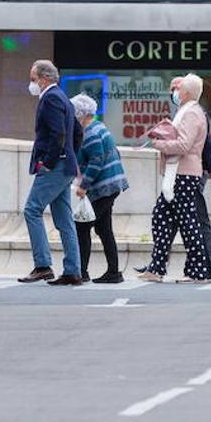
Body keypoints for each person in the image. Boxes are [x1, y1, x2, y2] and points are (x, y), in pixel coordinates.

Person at [135, 77, 211, 281]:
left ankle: (197, 270)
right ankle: (156, 268)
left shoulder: (192, 113)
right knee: (161, 218)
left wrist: (159, 144)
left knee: (188, 222)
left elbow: (184, 145)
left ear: (188, 93)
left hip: (184, 174)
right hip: (177, 174)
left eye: (179, 89)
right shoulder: (187, 111)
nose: (175, 92)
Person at [19, 60, 85, 286]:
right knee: (64, 219)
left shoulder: (51, 98)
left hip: (55, 167)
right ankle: (73, 271)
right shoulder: (63, 98)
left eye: (33, 79)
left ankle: (43, 266)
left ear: (44, 79)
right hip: (64, 166)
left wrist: (48, 162)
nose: (32, 84)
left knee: (31, 210)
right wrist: (71, 156)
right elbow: (77, 132)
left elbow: (59, 134)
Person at [72, 93, 129, 284]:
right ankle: (113, 272)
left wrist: (83, 185)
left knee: (82, 226)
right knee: (104, 229)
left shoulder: (89, 133)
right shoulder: (99, 126)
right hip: (112, 184)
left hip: (104, 186)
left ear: (80, 114)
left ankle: (82, 271)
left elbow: (96, 161)